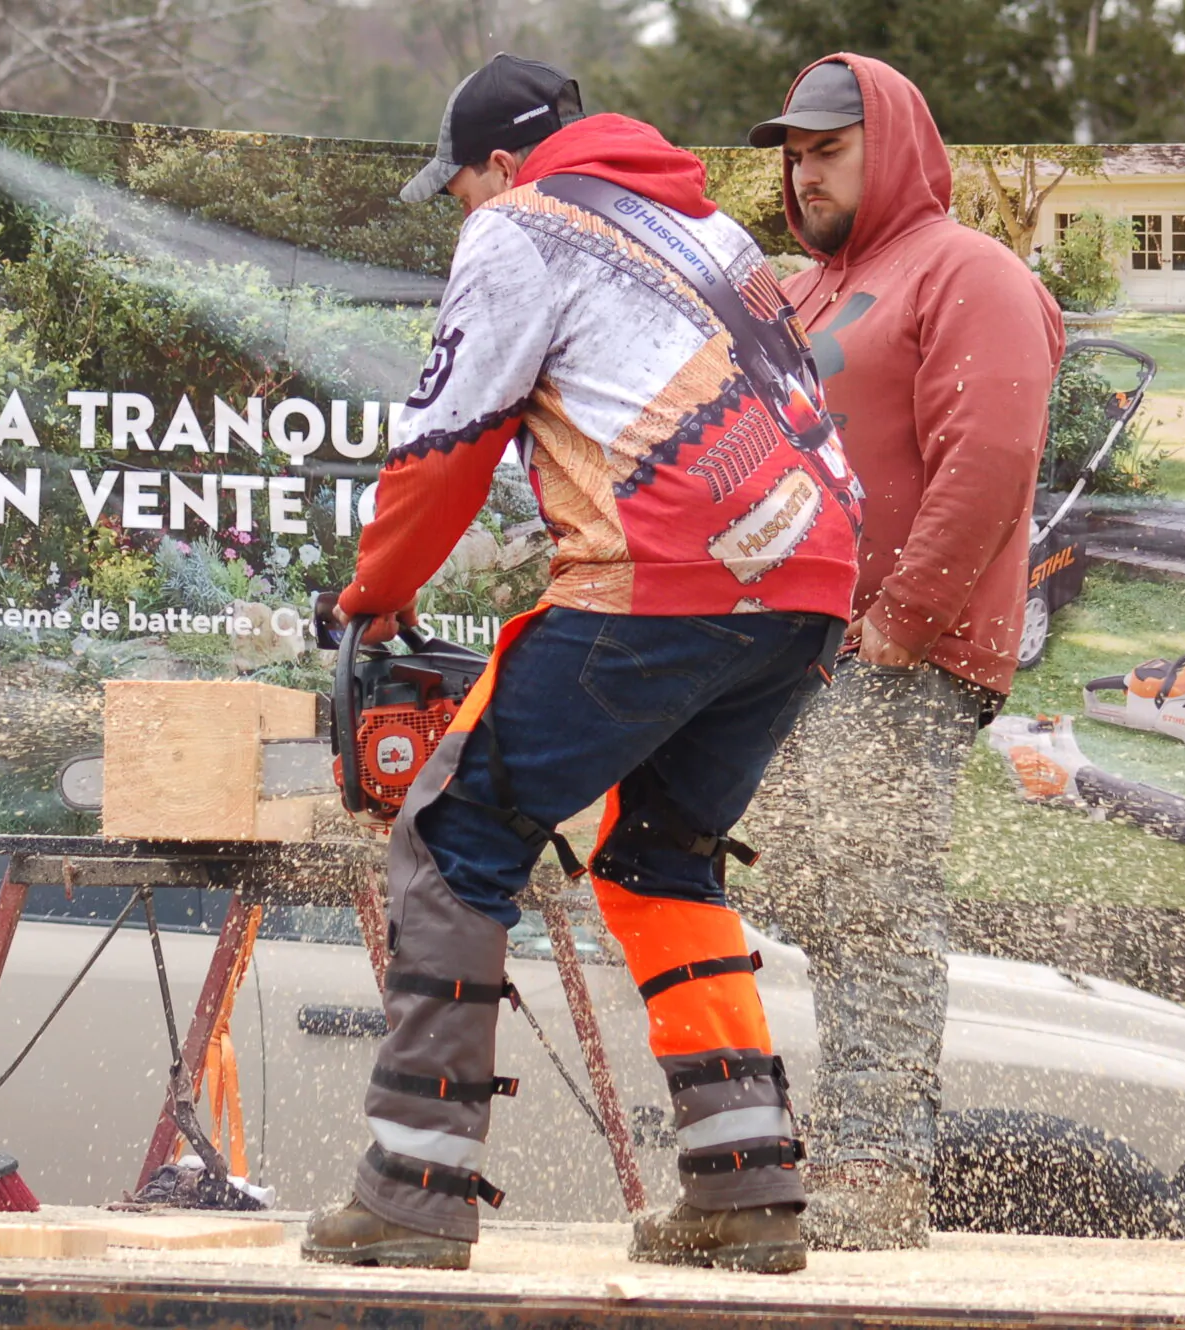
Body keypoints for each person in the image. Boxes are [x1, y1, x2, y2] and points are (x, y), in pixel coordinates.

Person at [300, 53, 862, 1275]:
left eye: (455, 184)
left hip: (661, 576)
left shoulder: (520, 225)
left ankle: (411, 1191)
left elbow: (450, 442)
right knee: (660, 859)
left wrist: (373, 594)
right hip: (810, 586)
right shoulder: (707, 225)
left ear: (501, 164)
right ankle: (746, 1187)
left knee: (454, 843)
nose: (458, 208)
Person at [738, 55, 1063, 1249]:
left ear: (892, 140)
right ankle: (835, 1144)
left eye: (826, 146)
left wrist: (896, 623)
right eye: (791, 151)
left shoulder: (965, 269)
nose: (801, 168)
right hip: (804, 655)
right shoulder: (818, 289)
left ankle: (877, 1164)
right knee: (825, 900)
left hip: (895, 657)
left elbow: (990, 458)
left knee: (874, 899)